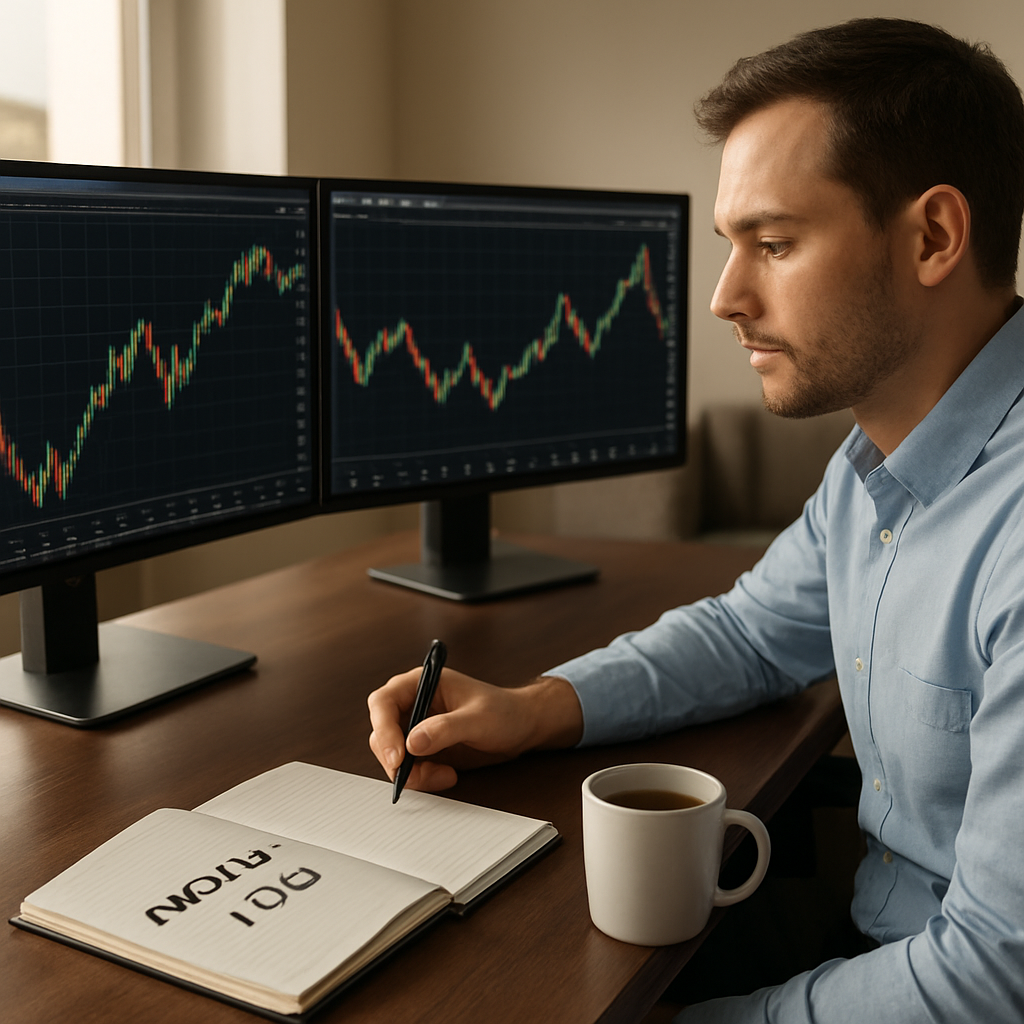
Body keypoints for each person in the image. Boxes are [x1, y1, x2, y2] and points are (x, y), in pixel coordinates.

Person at [367, 18, 1024, 1022]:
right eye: (731, 247)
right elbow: (751, 631)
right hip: (869, 936)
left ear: (933, 236)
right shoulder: (873, 469)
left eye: (773, 243)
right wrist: (534, 707)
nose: (723, 296)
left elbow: (991, 976)